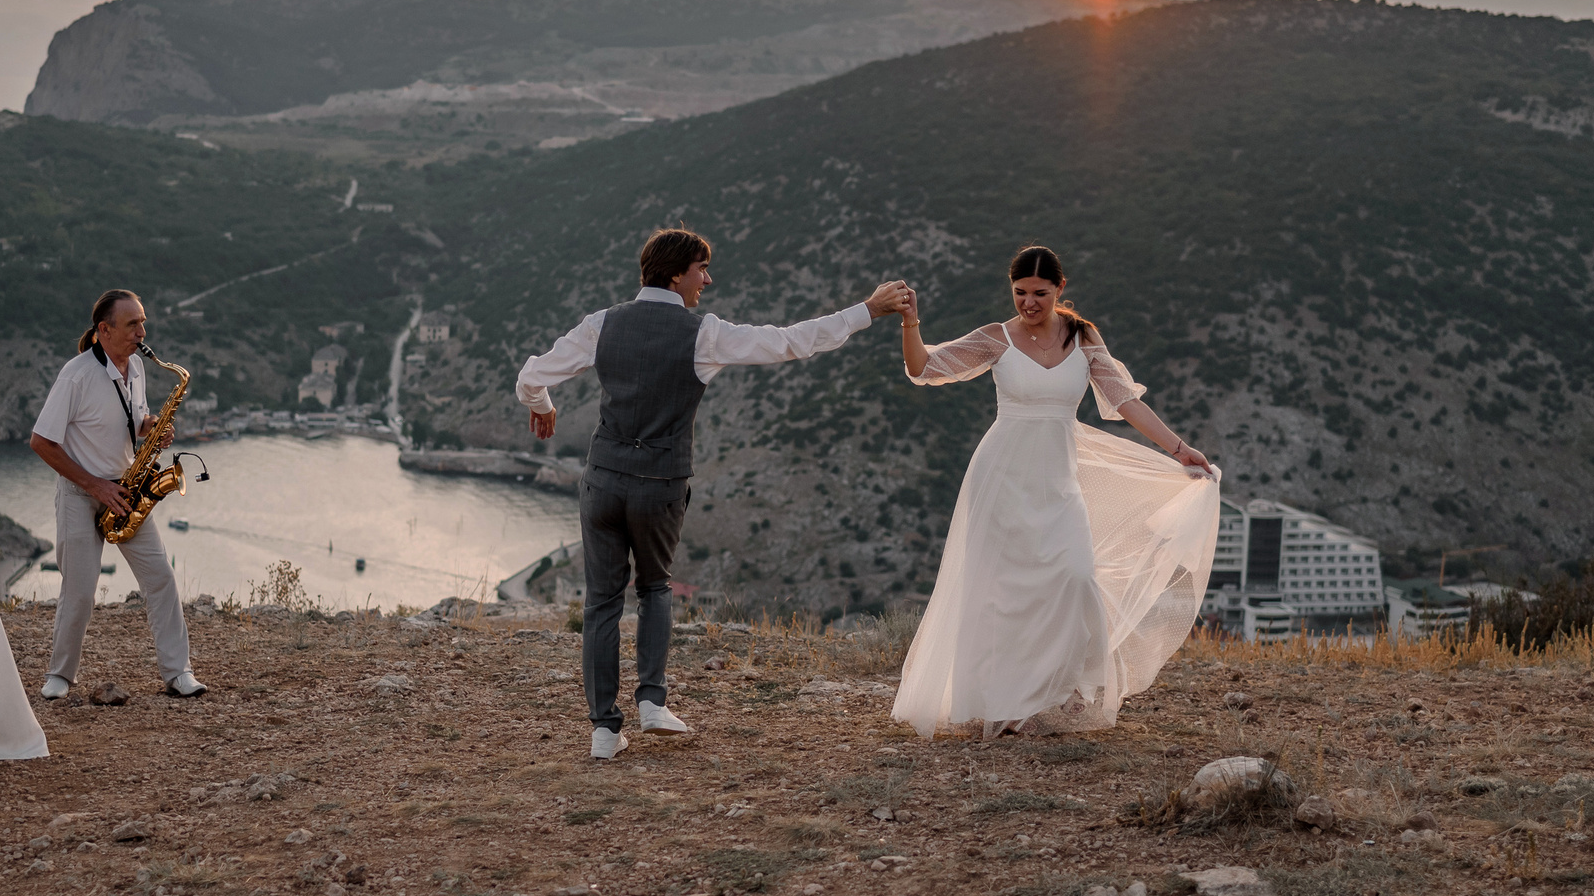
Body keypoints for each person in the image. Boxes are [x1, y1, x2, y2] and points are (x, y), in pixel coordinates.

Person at [518, 227, 910, 760]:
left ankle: (604, 732)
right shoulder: (704, 334)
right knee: (654, 587)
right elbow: (790, 341)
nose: (708, 279)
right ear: (675, 275)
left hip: (603, 478)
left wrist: (542, 406)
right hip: (660, 484)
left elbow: (531, 375)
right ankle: (651, 703)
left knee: (601, 603)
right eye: (701, 269)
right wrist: (867, 309)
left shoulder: (601, 324)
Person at [890, 245, 1220, 738]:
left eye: (1040, 293)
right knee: (1000, 592)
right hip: (1001, 477)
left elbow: (1125, 401)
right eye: (1020, 292)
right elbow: (923, 368)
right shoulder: (996, 338)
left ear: (1060, 288)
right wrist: (910, 322)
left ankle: (1055, 689)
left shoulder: (1084, 339)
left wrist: (1179, 449)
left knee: (1076, 576)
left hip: (1058, 482)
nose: (1029, 303)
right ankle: (1003, 703)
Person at [28, 289, 205, 702]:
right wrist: (95, 485)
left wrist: (150, 427)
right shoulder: (76, 375)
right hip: (82, 492)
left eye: (142, 323)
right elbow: (41, 442)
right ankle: (60, 674)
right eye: (132, 325)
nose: (141, 333)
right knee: (80, 590)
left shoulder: (137, 367)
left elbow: (133, 419)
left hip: (126, 491)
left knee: (161, 579)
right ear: (104, 330)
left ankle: (179, 673)